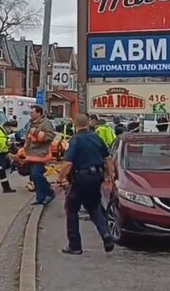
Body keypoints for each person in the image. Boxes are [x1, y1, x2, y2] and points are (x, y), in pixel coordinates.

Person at [56, 114, 115, 255]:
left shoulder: (75, 140)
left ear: (74, 124)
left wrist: (59, 179)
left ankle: (75, 245)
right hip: (96, 177)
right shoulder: (96, 138)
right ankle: (106, 234)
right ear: (88, 123)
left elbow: (68, 164)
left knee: (71, 209)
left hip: (80, 179)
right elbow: (108, 159)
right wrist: (109, 175)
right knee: (94, 207)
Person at [25, 105, 56, 205]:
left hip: (41, 154)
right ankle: (40, 198)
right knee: (34, 177)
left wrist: (37, 133)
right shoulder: (32, 124)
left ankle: (49, 192)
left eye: (32, 112)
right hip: (32, 154)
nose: (31, 114)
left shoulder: (46, 123)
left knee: (36, 174)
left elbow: (50, 136)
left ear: (39, 113)